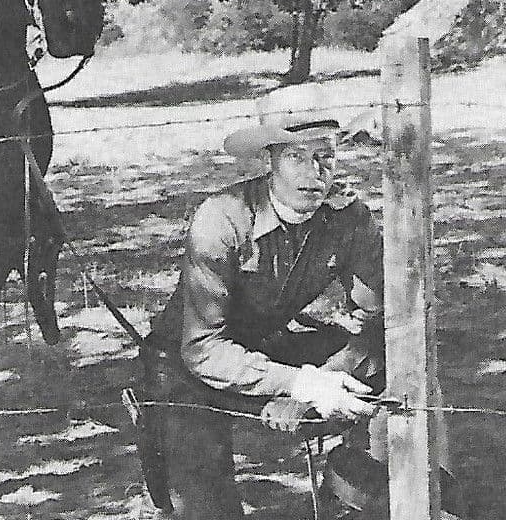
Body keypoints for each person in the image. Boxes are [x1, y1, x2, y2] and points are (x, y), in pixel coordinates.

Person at [142, 83, 455, 519]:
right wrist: (298, 384)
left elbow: (385, 315)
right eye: (296, 156)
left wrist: (325, 379)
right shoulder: (222, 218)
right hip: (188, 363)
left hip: (269, 345)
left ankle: (373, 492)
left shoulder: (346, 217)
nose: (315, 172)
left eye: (326, 154)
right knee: (203, 497)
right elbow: (202, 350)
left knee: (398, 362)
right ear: (269, 160)